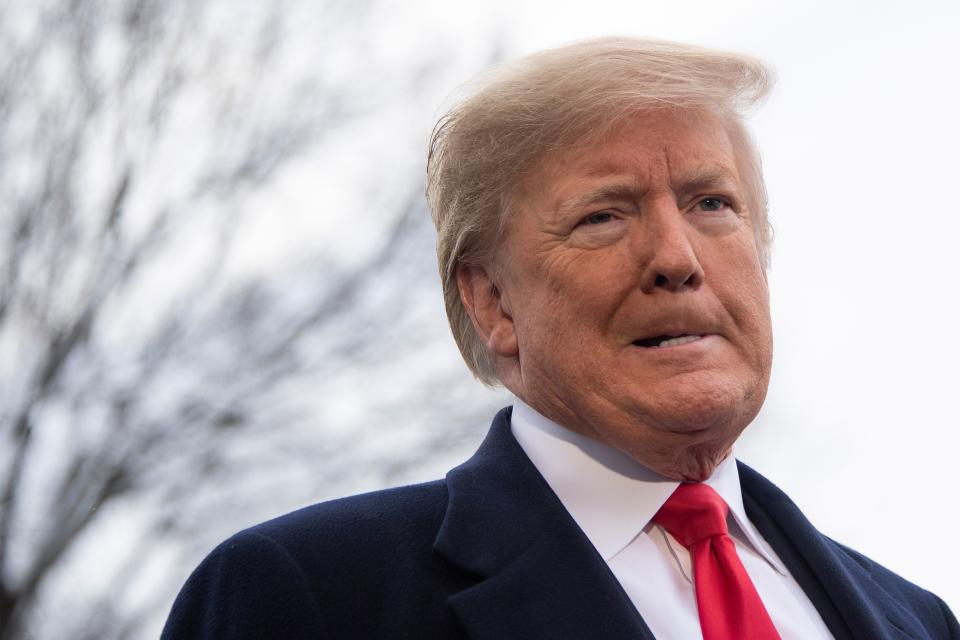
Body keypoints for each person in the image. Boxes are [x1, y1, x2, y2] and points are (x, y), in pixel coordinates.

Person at [161, 37, 959, 639]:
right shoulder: (311, 597)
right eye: (603, 216)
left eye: (712, 203)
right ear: (492, 302)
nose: (676, 259)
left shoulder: (919, 619)